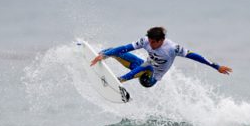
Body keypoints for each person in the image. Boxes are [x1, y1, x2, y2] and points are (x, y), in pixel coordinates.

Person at [90, 26, 232, 88]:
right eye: (149, 41)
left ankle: (120, 80)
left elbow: (196, 56)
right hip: (140, 67)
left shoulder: (172, 48)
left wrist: (217, 66)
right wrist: (104, 55)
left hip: (150, 79)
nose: (150, 45)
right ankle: (96, 59)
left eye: (153, 42)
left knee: (148, 65)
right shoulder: (145, 40)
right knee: (111, 51)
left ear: (161, 40)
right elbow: (125, 47)